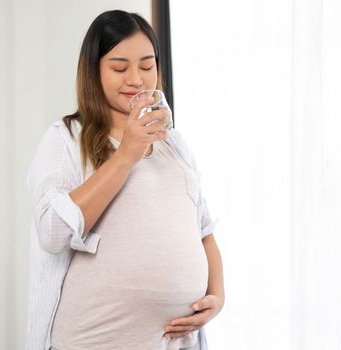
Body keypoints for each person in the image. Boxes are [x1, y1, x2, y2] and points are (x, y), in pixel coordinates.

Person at [25, 10, 224, 350]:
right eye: (119, 68)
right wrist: (126, 154)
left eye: (147, 66)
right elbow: (53, 232)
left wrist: (216, 297)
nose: (136, 79)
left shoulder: (173, 143)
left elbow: (202, 230)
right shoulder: (66, 140)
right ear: (93, 70)